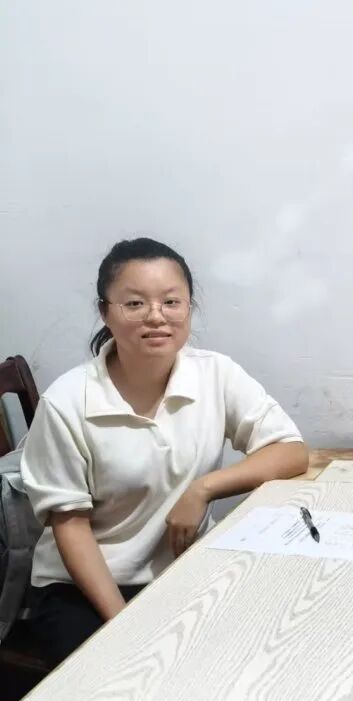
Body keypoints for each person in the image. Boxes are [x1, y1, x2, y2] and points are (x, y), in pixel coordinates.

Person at [21, 238, 308, 665]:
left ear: (189, 307)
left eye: (171, 302)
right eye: (134, 304)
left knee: (265, 648)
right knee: (118, 678)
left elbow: (291, 451)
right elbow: (70, 526)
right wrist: (124, 625)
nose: (156, 316)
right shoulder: (67, 401)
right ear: (105, 312)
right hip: (84, 588)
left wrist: (203, 489)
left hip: (183, 572)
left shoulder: (215, 374)